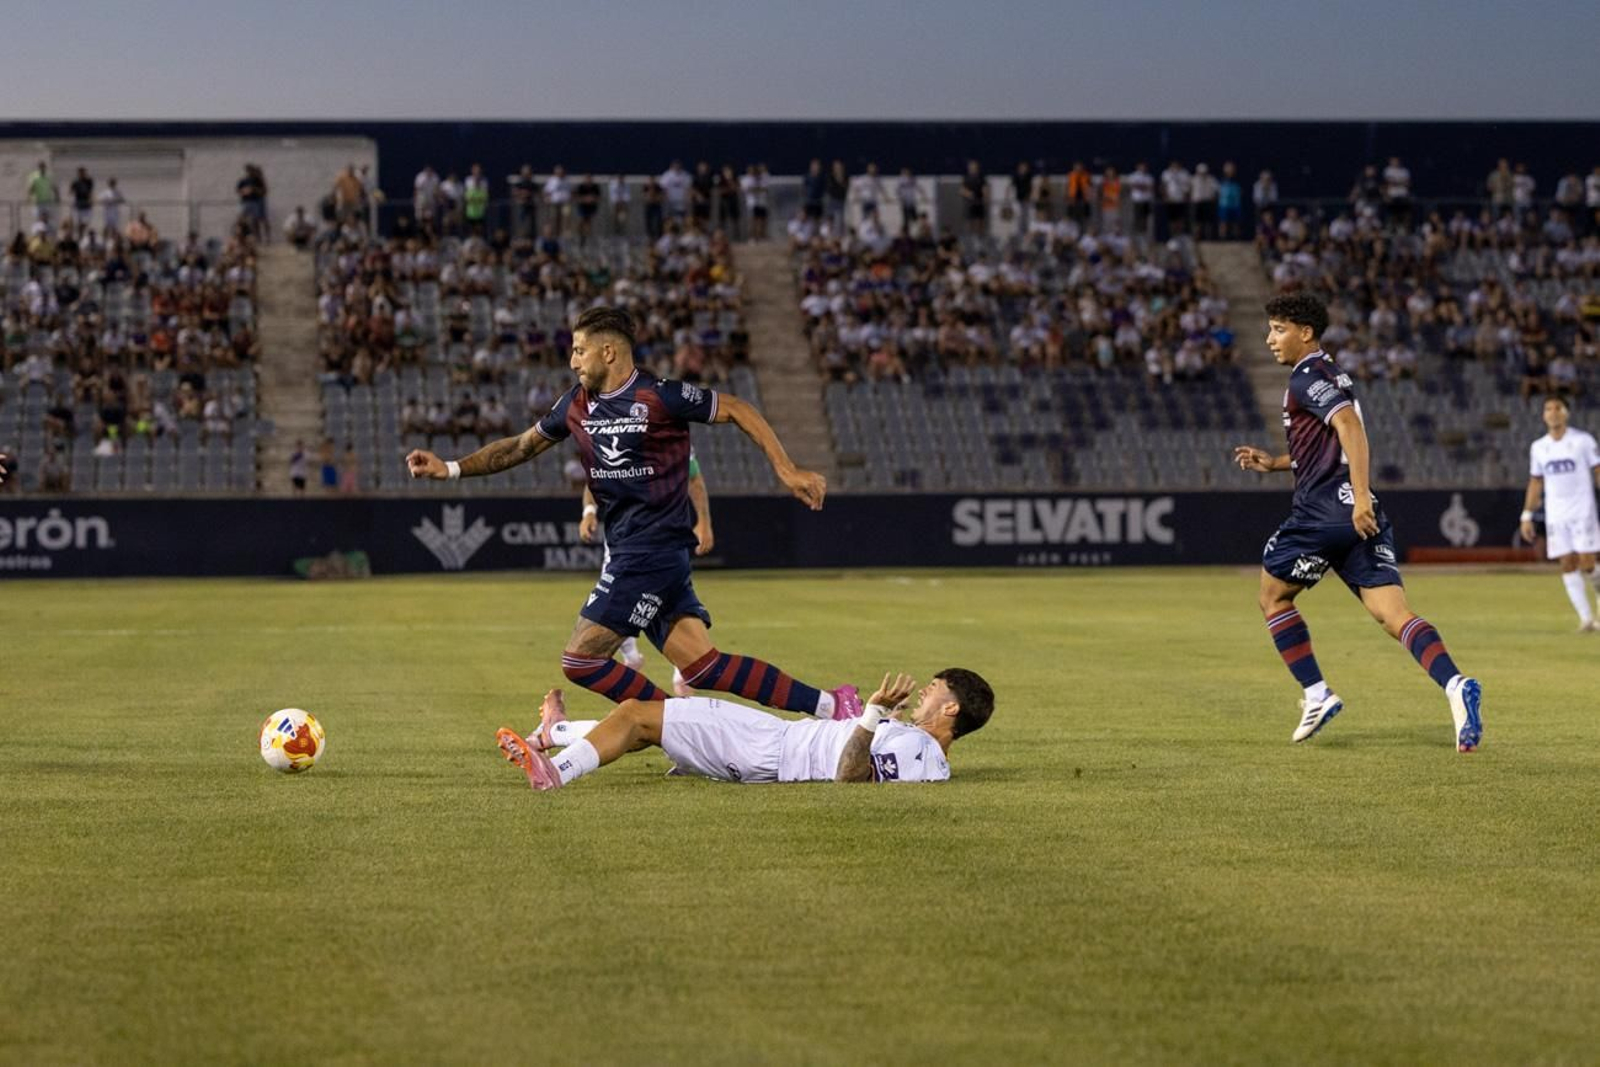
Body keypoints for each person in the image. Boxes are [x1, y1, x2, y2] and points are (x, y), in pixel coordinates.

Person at [405, 306, 860, 720]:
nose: (573, 361)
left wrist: (787, 469)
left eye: (580, 351)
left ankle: (687, 731)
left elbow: (738, 408)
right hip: (638, 550)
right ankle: (832, 704)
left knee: (581, 659)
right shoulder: (575, 406)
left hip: (649, 551)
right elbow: (520, 447)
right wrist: (449, 468)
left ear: (609, 351)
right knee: (704, 668)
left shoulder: (660, 396)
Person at [1232, 292, 1482, 752]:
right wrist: (1275, 464)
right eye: (1269, 329)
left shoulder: (1307, 377)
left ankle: (1316, 694)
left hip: (1324, 513)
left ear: (1305, 333)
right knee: (1393, 615)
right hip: (1355, 513)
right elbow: (1326, 446)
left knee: (1272, 596)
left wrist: (1360, 497)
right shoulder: (1331, 373)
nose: (1269, 339)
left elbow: (1350, 428)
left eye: (1278, 329)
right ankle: (1455, 685)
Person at [494, 667, 994, 791]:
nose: (926, 693)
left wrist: (868, 717)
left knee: (636, 713)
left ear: (951, 710)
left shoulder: (920, 752)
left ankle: (554, 770)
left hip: (769, 751)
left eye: (934, 688)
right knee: (649, 725)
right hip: (773, 740)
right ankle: (554, 733)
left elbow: (851, 777)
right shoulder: (920, 750)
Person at [579, 447, 714, 690]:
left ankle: (681, 670)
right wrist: (589, 512)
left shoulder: (668, 431)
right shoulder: (610, 430)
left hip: (665, 539)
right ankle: (633, 658)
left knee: (667, 601)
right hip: (621, 546)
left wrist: (703, 522)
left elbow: (693, 476)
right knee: (610, 609)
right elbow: (593, 479)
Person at [1519, 396, 1600, 631]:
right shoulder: (1539, 447)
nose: (1553, 413)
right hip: (1556, 515)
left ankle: (1597, 589)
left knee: (1587, 562)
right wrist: (1527, 515)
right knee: (1566, 563)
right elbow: (1535, 483)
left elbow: (1597, 471)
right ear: (1543, 415)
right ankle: (1586, 620)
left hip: (1583, 510)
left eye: (1557, 408)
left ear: (1566, 413)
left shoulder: (1582, 441)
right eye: (1548, 409)